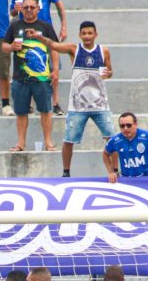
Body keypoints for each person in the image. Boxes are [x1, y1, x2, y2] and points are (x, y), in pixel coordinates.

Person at [27, 21, 114, 177]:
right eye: (84, 33)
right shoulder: (74, 49)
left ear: (96, 34)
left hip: (100, 105)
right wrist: (38, 36)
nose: (87, 36)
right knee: (69, 140)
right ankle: (66, 172)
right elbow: (53, 45)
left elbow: (110, 71)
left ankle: (116, 171)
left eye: (90, 33)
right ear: (80, 35)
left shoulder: (103, 51)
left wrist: (108, 74)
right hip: (77, 106)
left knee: (112, 140)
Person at [11, 0, 67, 116]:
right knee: (27, 65)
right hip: (25, 32)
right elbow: (12, 11)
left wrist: (63, 26)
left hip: (45, 30)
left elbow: (59, 5)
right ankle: (27, 103)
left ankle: (55, 103)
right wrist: (15, 9)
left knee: (52, 66)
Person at [3, 0, 58, 152]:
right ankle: (21, 143)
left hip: (41, 77)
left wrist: (55, 70)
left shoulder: (46, 26)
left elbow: (54, 47)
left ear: (38, 8)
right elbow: (4, 47)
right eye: (25, 7)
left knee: (46, 110)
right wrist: (12, 47)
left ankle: (48, 142)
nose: (28, 10)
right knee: (21, 112)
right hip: (20, 78)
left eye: (31, 7)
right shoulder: (14, 25)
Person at [103, 112, 148, 184]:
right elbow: (105, 154)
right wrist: (112, 172)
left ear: (136, 124)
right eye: (122, 126)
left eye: (129, 125)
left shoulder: (147, 136)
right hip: (127, 182)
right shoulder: (115, 140)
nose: (125, 128)